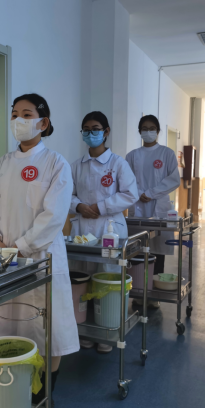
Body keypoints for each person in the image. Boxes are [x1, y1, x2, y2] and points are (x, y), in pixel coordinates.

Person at [0, 93, 79, 404]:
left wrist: (22, 247)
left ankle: (43, 393)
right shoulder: (1, 164)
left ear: (43, 122)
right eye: (14, 114)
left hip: (42, 257)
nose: (18, 120)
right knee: (5, 323)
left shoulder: (56, 163)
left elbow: (54, 215)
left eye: (26, 114)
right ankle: (11, 385)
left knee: (48, 329)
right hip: (4, 258)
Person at [69, 111, 138, 354]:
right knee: (82, 278)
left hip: (109, 228)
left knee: (106, 278)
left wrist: (101, 207)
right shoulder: (76, 166)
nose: (91, 133)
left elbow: (130, 194)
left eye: (96, 129)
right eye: (86, 129)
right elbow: (67, 194)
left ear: (106, 132)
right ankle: (86, 329)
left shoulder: (118, 164)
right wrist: (78, 206)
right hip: (81, 229)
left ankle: (107, 329)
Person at [126, 115, 181, 306]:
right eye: (144, 128)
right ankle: (138, 292)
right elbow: (126, 180)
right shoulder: (132, 156)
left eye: (151, 128)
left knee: (158, 252)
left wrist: (150, 193)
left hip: (159, 208)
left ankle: (153, 297)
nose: (148, 131)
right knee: (137, 251)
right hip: (138, 206)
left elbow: (173, 179)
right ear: (139, 131)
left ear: (158, 131)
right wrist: (139, 193)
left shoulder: (166, 153)